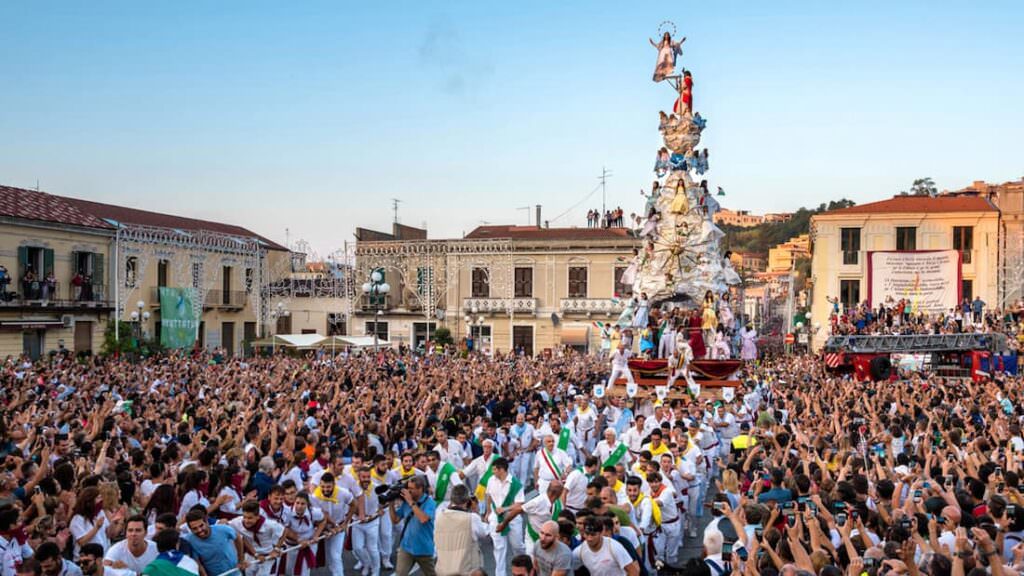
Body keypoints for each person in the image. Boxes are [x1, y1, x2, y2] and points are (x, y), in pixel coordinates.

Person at [434, 485, 488, 576]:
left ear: (451, 500)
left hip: (442, 569)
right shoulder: (471, 518)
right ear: (467, 501)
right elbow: (484, 533)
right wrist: (476, 511)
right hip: (467, 570)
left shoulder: (439, 516)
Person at [484, 457, 525, 576]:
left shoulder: (516, 484)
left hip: (513, 518)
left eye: (494, 469)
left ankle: (522, 568)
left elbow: (520, 504)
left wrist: (505, 509)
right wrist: (488, 512)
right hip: (495, 518)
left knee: (517, 546)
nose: (493, 472)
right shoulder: (491, 480)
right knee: (499, 548)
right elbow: (488, 496)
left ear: (502, 470)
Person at [389, 475, 436, 576]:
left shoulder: (430, 503)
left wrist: (411, 502)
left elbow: (423, 519)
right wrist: (390, 504)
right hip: (406, 547)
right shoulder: (406, 502)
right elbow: (395, 520)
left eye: (411, 489)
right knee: (400, 574)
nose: (408, 491)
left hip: (423, 548)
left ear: (420, 489)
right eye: (408, 488)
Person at [182, 508, 242, 576]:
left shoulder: (223, 529)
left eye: (201, 526)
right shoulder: (189, 540)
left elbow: (238, 537)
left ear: (207, 522)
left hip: (235, 572)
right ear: (190, 529)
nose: (199, 530)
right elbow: (198, 563)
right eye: (194, 528)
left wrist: (241, 560)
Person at [572, 517, 640, 576]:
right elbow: (569, 569)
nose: (589, 539)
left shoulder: (614, 547)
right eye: (587, 534)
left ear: (601, 533)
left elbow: (634, 572)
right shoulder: (579, 551)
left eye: (593, 535)